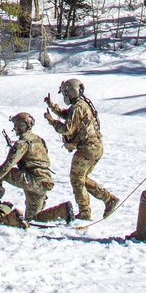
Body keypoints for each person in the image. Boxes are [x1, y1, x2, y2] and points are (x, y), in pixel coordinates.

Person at [42, 78, 118, 223]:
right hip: (95, 146)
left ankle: (85, 212)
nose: (65, 96)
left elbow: (67, 129)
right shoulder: (81, 105)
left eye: (65, 93)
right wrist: (52, 106)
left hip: (87, 148)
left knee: (76, 179)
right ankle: (108, 199)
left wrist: (52, 121)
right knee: (81, 178)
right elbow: (68, 116)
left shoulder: (78, 107)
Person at [0, 112, 54, 222]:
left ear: (22, 125)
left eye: (16, 125)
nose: (15, 127)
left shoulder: (22, 143)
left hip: (32, 180)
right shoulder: (39, 140)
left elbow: (8, 165)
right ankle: (62, 211)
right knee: (32, 219)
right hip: (44, 182)